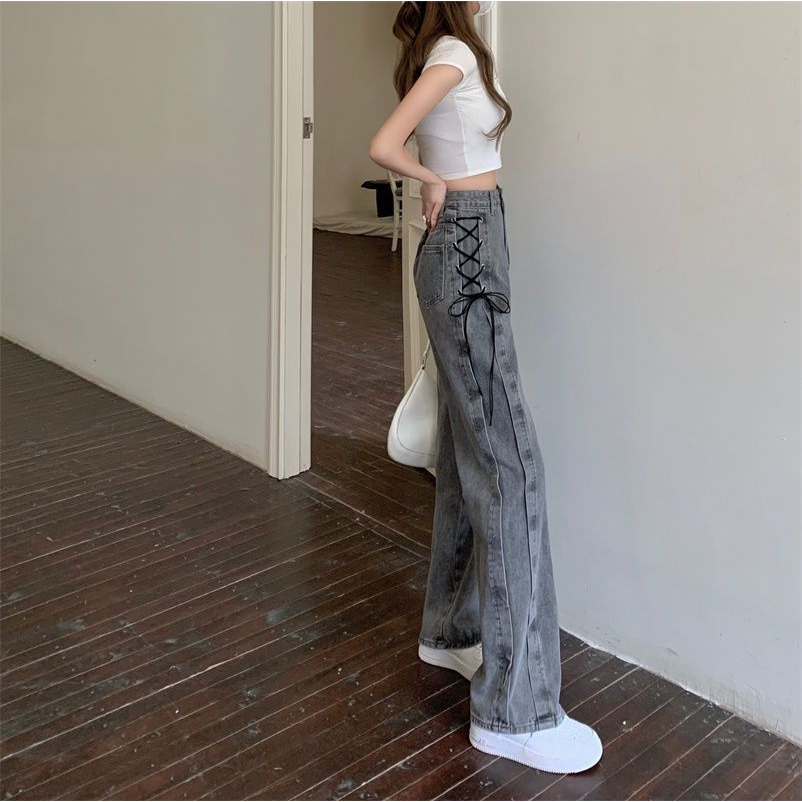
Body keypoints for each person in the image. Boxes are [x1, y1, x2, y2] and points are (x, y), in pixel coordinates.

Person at [368, 1, 603, 774]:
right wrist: (432, 178)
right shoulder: (456, 54)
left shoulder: (447, 49)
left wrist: (437, 182)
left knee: (473, 449)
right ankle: (516, 712)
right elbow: (384, 143)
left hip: (468, 240)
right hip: (468, 243)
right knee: (512, 467)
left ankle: (453, 630)